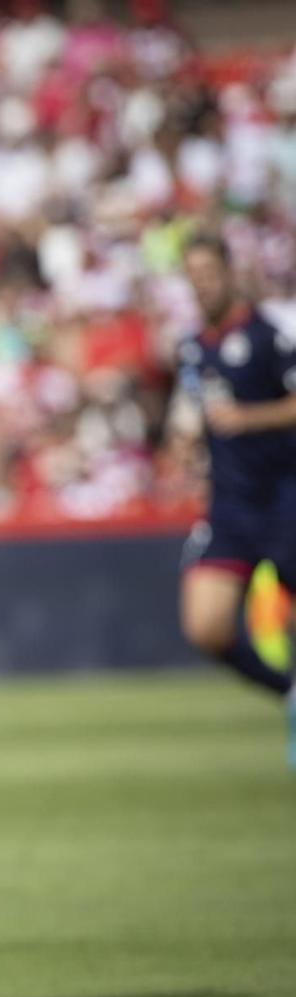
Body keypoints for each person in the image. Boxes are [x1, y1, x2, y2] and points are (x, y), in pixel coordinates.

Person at [167, 234, 296, 767]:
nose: (202, 282)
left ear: (229, 272)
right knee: (205, 625)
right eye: (192, 273)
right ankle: (287, 691)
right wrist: (185, 440)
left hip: (285, 499)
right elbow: (194, 410)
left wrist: (250, 418)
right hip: (229, 507)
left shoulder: (268, 336)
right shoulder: (192, 346)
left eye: (208, 271)